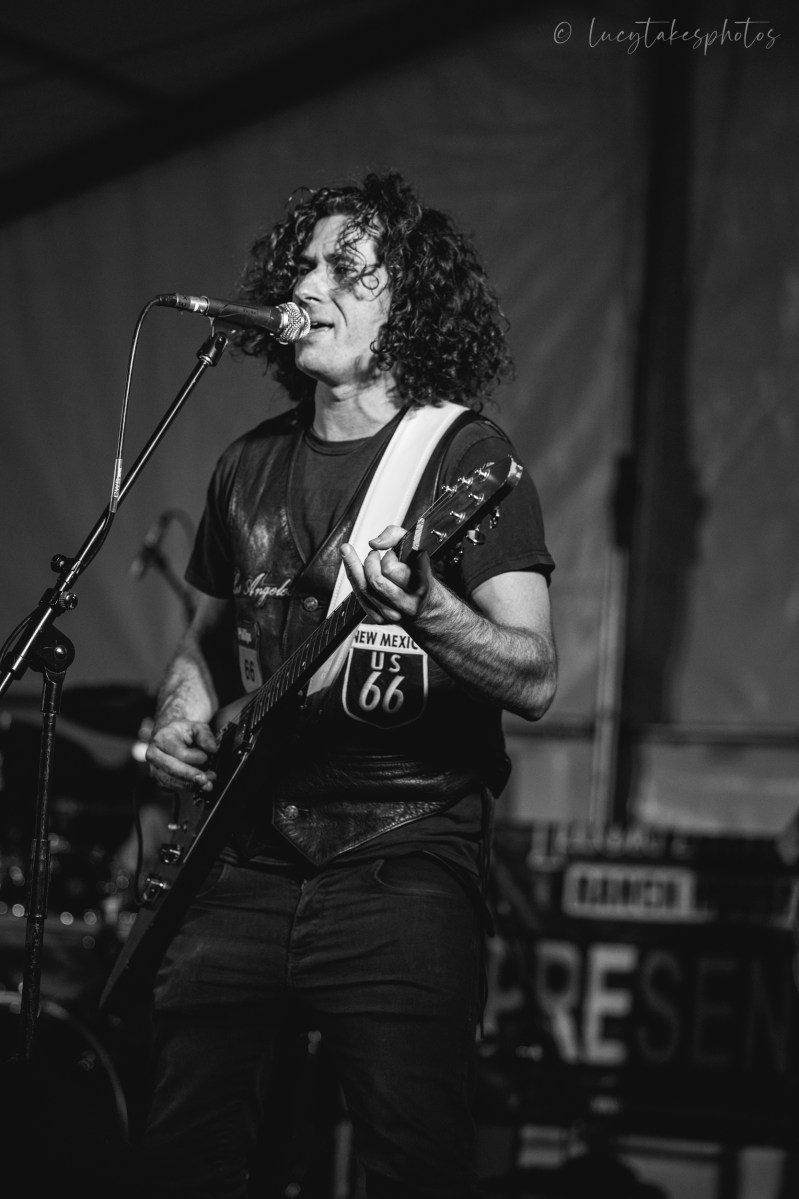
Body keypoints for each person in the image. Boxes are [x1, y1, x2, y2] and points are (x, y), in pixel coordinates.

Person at [136, 169, 558, 1198]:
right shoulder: (245, 466)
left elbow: (535, 673)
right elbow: (204, 637)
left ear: (408, 304)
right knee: (184, 1148)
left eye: (344, 269)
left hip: (400, 855)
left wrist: (432, 610)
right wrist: (181, 708)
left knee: (411, 1160)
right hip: (245, 851)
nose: (306, 286)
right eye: (303, 265)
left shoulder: (465, 457)